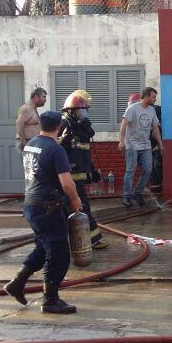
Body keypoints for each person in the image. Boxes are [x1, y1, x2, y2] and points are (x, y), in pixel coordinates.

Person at [4, 110, 83, 314]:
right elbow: (66, 183)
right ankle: (50, 300)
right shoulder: (55, 150)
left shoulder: (31, 145)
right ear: (59, 127)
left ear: (40, 125)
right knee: (58, 254)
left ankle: (17, 283)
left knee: (43, 248)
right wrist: (75, 200)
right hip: (49, 208)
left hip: (31, 205)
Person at [58, 89, 108, 250]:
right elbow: (54, 147)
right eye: (82, 110)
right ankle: (92, 240)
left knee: (77, 208)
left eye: (86, 110)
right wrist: (63, 141)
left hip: (78, 177)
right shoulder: (64, 125)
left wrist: (92, 170)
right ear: (72, 110)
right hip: (68, 178)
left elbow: (84, 152)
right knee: (80, 207)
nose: (85, 113)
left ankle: (80, 240)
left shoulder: (80, 127)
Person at [118, 87, 164, 207]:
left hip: (145, 145)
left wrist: (160, 144)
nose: (155, 99)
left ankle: (138, 193)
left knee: (148, 169)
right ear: (147, 96)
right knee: (130, 171)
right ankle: (127, 197)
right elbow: (123, 125)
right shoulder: (133, 108)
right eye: (153, 97)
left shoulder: (152, 111)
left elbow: (155, 128)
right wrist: (121, 142)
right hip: (132, 145)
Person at [15, 87, 47, 152]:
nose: (45, 100)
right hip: (27, 143)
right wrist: (23, 142)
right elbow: (19, 123)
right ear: (36, 97)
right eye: (44, 97)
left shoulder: (33, 109)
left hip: (32, 143)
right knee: (29, 162)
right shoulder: (26, 109)